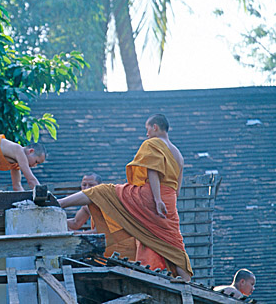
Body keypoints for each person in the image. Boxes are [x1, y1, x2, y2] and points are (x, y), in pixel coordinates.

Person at [59, 114, 193, 281]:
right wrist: (165, 202)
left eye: (147, 129)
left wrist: (157, 199)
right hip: (169, 201)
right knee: (172, 242)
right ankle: (187, 282)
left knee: (102, 191)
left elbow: (153, 171)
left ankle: (59, 203)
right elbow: (177, 189)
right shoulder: (179, 155)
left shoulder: (154, 143)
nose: (147, 134)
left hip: (151, 196)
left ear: (155, 127)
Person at [66, 173, 137, 260]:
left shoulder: (106, 203)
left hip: (121, 248)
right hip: (105, 247)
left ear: (99, 187)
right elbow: (75, 223)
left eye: (91, 185)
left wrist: (73, 234)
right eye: (84, 185)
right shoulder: (86, 206)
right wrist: (56, 221)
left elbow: (100, 232)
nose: (86, 188)